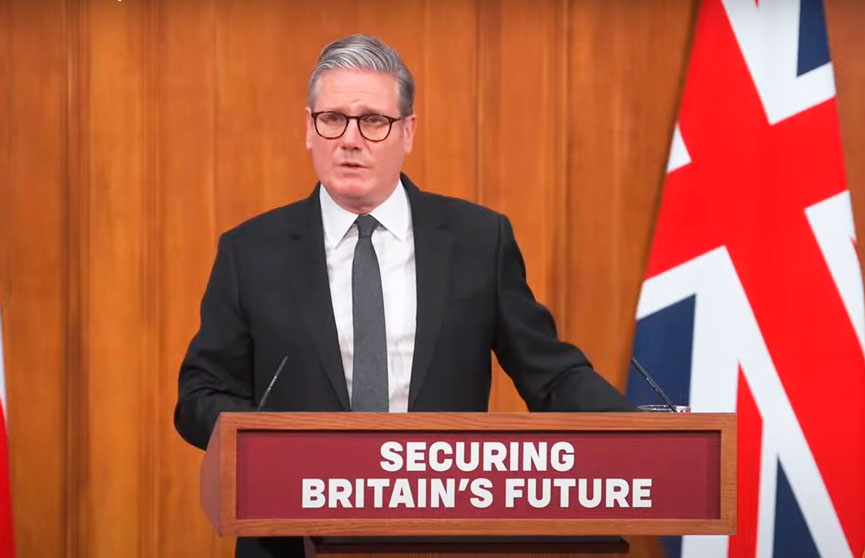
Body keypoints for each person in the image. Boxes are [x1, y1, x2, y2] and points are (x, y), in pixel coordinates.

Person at [175, 33, 635, 558]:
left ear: (408, 132)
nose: (350, 139)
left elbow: (550, 375)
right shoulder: (251, 251)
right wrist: (272, 446)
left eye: (373, 120)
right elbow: (201, 394)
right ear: (308, 128)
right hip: (290, 542)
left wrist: (645, 437)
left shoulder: (478, 241)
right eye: (332, 119)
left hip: (443, 539)